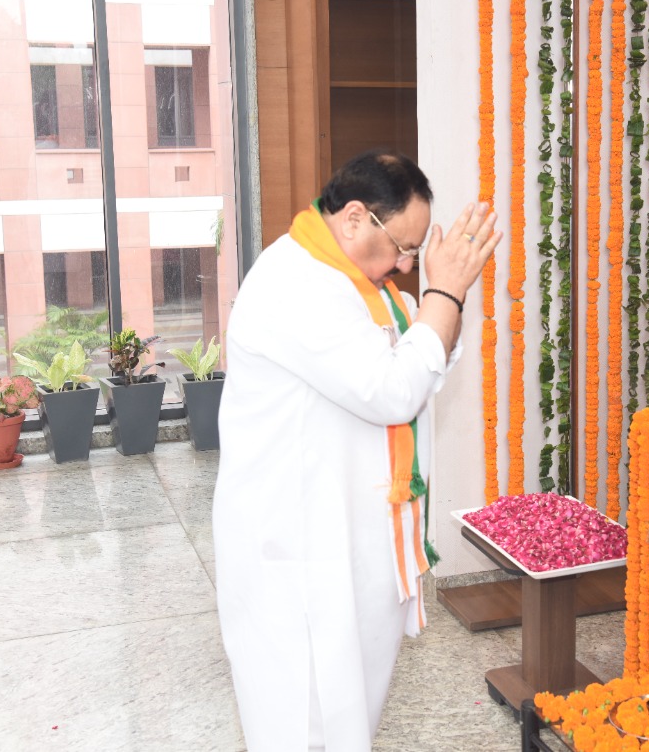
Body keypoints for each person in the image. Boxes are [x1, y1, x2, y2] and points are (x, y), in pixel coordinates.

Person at [212, 150, 501, 751]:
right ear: (353, 218)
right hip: (296, 552)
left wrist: (447, 299)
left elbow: (421, 359)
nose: (404, 265)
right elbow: (394, 390)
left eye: (417, 254)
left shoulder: (355, 279)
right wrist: (444, 290)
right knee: (308, 723)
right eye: (402, 247)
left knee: (351, 717)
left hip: (348, 537)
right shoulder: (297, 283)